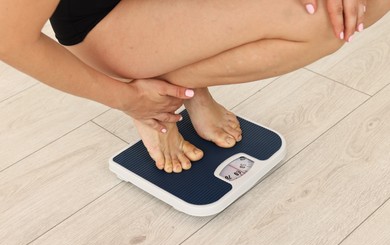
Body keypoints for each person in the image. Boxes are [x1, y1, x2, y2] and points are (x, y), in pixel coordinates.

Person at [1, 0, 389, 173]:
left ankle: (177, 81)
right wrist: (130, 100)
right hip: (106, 17)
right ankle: (157, 97)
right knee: (319, 20)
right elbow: (9, 38)